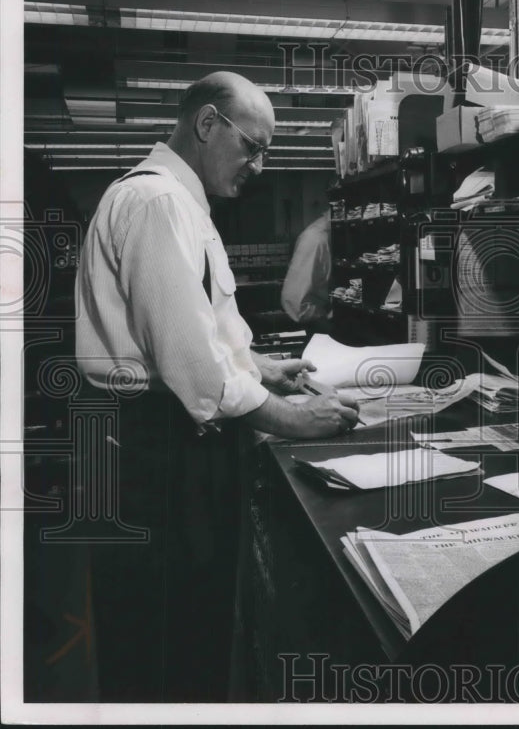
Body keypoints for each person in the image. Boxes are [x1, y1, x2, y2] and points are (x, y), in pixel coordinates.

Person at [75, 71, 358, 702]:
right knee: (166, 636)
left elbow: (211, 330)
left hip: (167, 440)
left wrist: (259, 368)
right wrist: (294, 418)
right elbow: (190, 363)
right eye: (252, 146)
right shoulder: (157, 203)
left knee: (193, 624)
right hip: (155, 449)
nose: (259, 165)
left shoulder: (185, 206)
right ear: (207, 124)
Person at [281, 211, 334, 335]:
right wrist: (328, 328)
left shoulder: (322, 235)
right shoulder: (317, 238)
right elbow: (297, 301)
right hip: (317, 324)